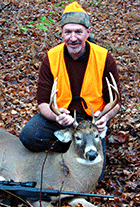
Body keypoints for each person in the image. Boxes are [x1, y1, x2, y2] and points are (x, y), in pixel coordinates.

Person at [19, 1, 121, 180]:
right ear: (62, 33)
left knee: (97, 176)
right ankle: (74, 145)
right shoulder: (51, 58)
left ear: (88, 33)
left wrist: (104, 118)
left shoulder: (104, 58)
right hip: (63, 119)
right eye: (68, 32)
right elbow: (43, 103)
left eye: (78, 32)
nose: (73, 38)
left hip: (92, 123)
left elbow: (116, 102)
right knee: (29, 136)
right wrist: (57, 116)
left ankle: (81, 143)